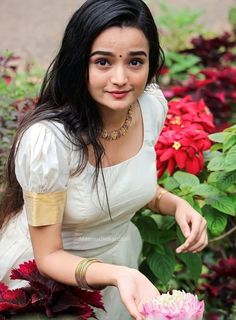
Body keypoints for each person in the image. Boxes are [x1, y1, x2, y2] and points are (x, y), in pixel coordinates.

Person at [0, 0, 208, 319]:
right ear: (78, 63)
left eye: (135, 61)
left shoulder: (149, 107)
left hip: (117, 264)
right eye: (103, 62)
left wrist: (177, 205)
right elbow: (49, 256)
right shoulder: (49, 142)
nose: (121, 78)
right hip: (46, 283)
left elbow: (122, 185)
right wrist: (117, 274)